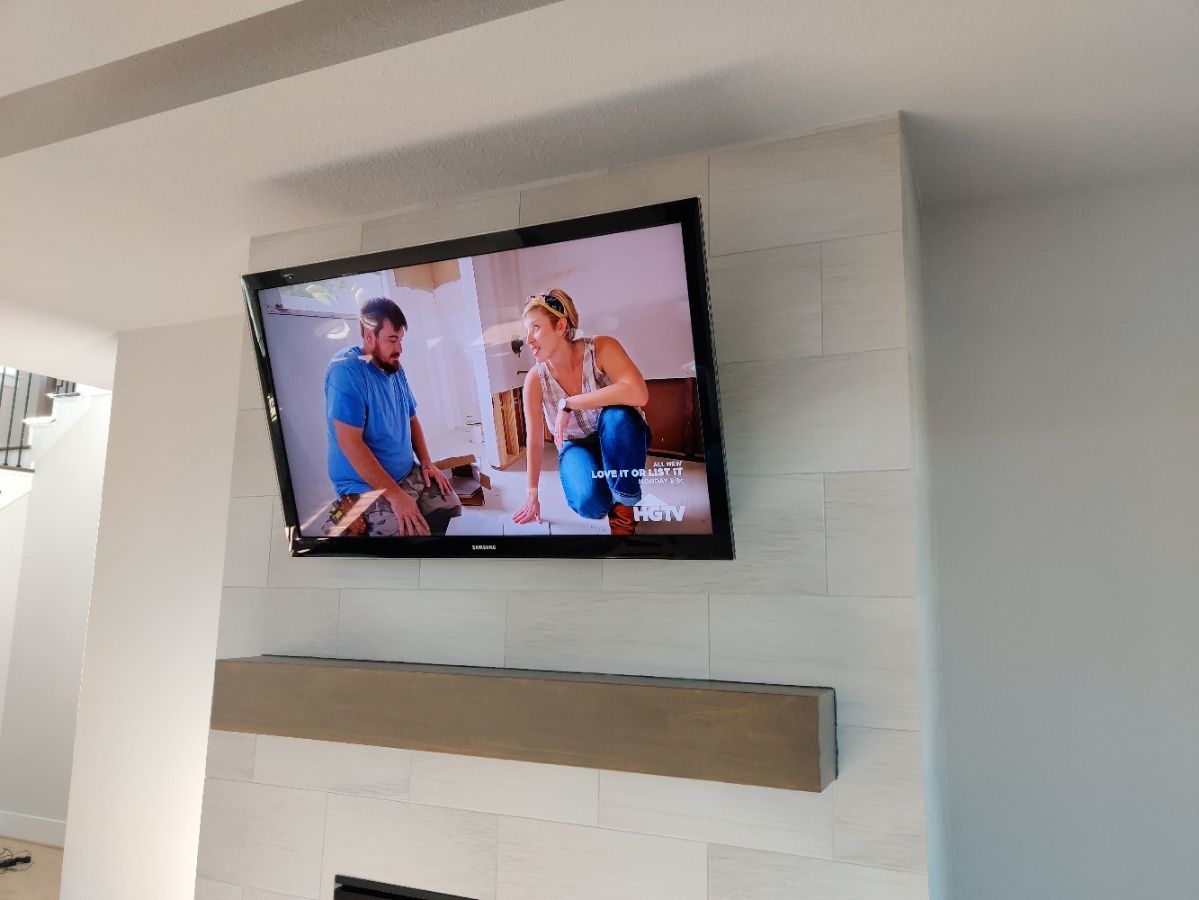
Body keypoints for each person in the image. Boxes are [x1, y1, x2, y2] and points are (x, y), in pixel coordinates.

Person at [511, 289, 651, 536]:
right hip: (576, 444)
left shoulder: (601, 348)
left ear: (560, 326)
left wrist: (570, 403)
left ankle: (624, 511)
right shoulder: (535, 379)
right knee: (588, 503)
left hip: (616, 434)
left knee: (617, 416)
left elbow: (639, 394)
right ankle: (614, 485)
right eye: (527, 331)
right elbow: (534, 441)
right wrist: (532, 495)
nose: (528, 339)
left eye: (536, 328)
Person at [322, 297, 461, 536]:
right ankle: (347, 516)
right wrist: (397, 497)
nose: (400, 349)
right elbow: (349, 443)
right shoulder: (346, 370)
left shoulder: (393, 367)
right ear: (369, 336)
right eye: (392, 340)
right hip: (365, 486)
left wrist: (427, 463)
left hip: (407, 473)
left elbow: (412, 419)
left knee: (449, 505)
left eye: (401, 340)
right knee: (408, 534)